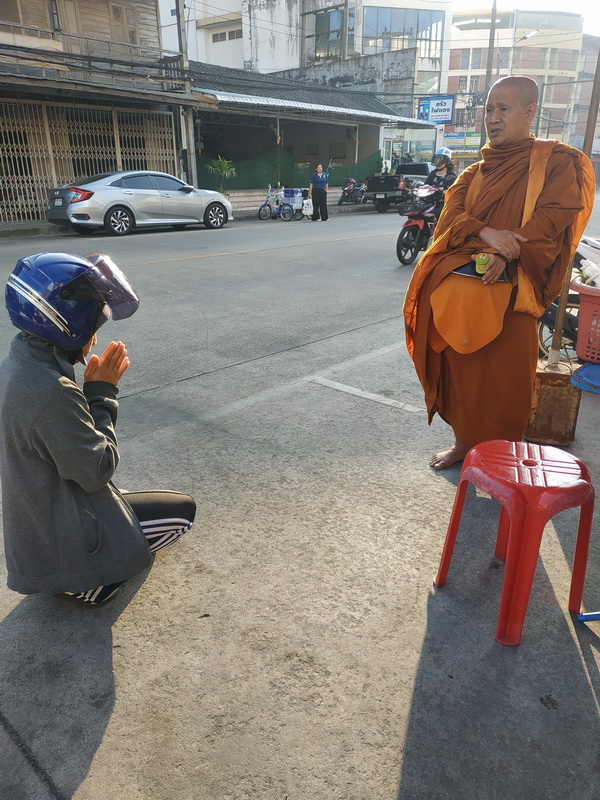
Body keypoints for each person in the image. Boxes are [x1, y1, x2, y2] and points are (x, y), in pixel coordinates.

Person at [403, 76, 595, 470]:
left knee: (508, 381)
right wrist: (489, 235)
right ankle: (464, 443)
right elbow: (450, 220)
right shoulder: (474, 173)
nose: (492, 118)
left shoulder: (556, 163)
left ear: (529, 112)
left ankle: (504, 454)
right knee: (463, 373)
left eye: (503, 109)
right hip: (469, 290)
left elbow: (553, 220)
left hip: (516, 291)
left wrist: (508, 251)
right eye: (489, 109)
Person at [0, 252, 196, 605]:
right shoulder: (51, 391)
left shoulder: (19, 364)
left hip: (40, 525)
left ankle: (75, 568)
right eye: (94, 328)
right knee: (182, 513)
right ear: (68, 327)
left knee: (146, 504)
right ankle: (82, 580)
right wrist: (102, 393)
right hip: (62, 544)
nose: (94, 338)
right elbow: (98, 471)